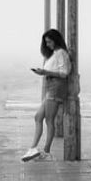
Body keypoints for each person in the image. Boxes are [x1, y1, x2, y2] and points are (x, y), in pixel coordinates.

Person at [22, 28, 71, 162]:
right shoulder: (54, 54)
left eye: (49, 42)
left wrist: (45, 72)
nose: (47, 45)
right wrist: (44, 72)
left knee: (49, 120)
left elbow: (64, 73)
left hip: (56, 87)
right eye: (46, 42)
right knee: (38, 117)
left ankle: (46, 151)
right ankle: (33, 148)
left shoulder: (61, 53)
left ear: (55, 40)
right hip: (51, 87)